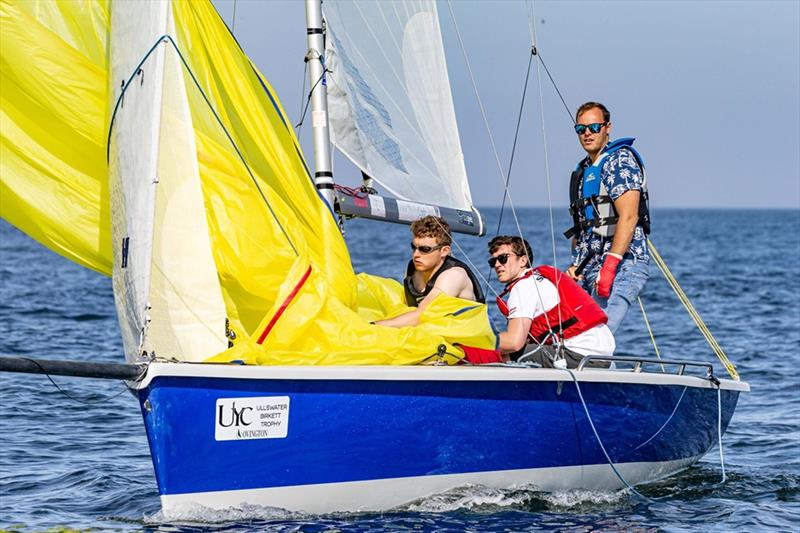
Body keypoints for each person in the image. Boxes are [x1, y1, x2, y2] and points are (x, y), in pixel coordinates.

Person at [564, 101, 651, 333]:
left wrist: (611, 265)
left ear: (608, 127)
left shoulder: (619, 161)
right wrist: (575, 265)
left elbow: (629, 216)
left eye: (594, 127)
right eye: (581, 129)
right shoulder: (583, 170)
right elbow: (582, 227)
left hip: (624, 264)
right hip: (590, 265)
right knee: (578, 334)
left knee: (600, 335)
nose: (587, 134)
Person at [489, 235, 615, 367]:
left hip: (579, 354)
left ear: (523, 260)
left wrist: (475, 342)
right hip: (600, 354)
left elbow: (514, 343)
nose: (497, 265)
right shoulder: (540, 277)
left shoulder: (523, 286)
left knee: (493, 355)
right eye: (493, 262)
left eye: (502, 259)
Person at [375, 216, 484, 328]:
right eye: (414, 247)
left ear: (444, 251)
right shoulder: (413, 269)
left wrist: (372, 326)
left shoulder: (454, 276)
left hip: (463, 338)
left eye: (425, 249)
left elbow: (421, 316)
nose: (416, 254)